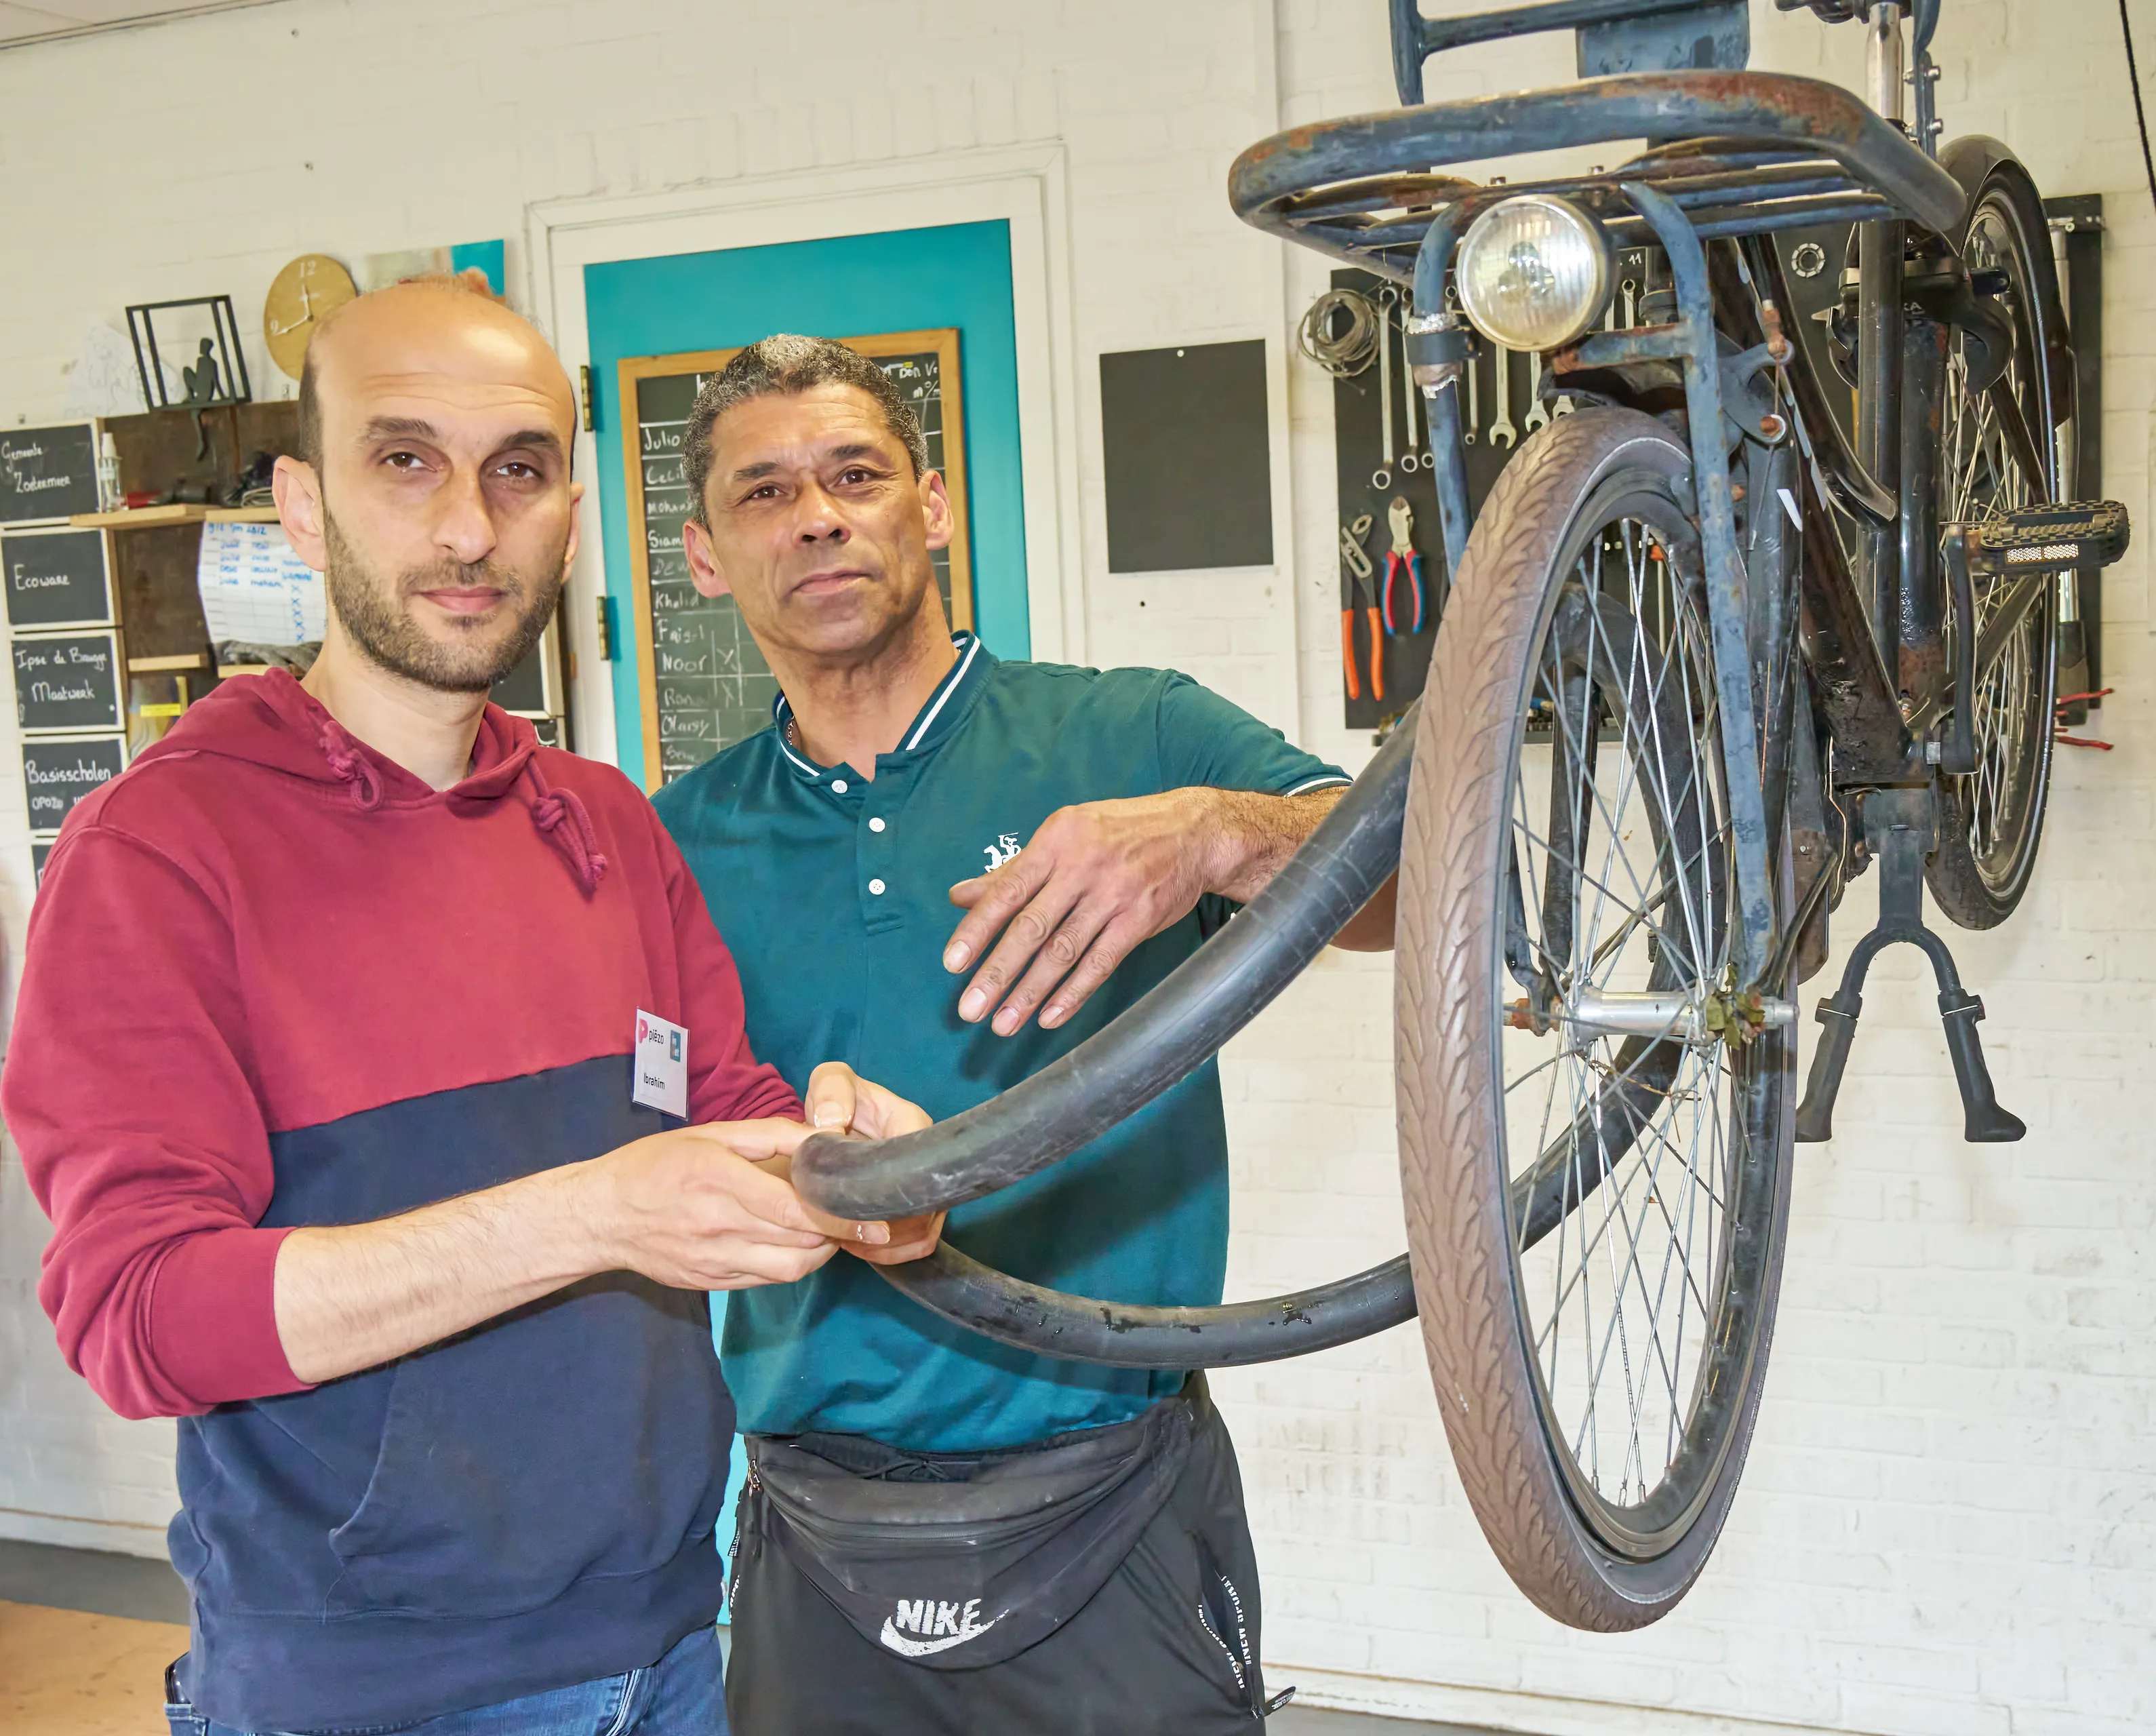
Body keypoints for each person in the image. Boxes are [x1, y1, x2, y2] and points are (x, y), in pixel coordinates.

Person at [1, 281, 932, 1736]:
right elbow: (140, 1314)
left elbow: (726, 1107)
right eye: (405, 458)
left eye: (517, 467)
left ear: (570, 505)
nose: (466, 528)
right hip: (372, 1693)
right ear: (303, 507)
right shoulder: (160, 848)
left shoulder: (607, 824)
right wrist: (589, 1215)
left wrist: (854, 1166)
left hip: (676, 1642)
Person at [653, 334, 1394, 1735]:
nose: (816, 513)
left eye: (855, 472)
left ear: (930, 505)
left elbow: (1410, 881)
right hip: (816, 1521)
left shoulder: (1130, 731)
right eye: (765, 492)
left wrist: (1218, 831)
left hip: (1110, 1497)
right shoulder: (672, 843)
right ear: (705, 555)